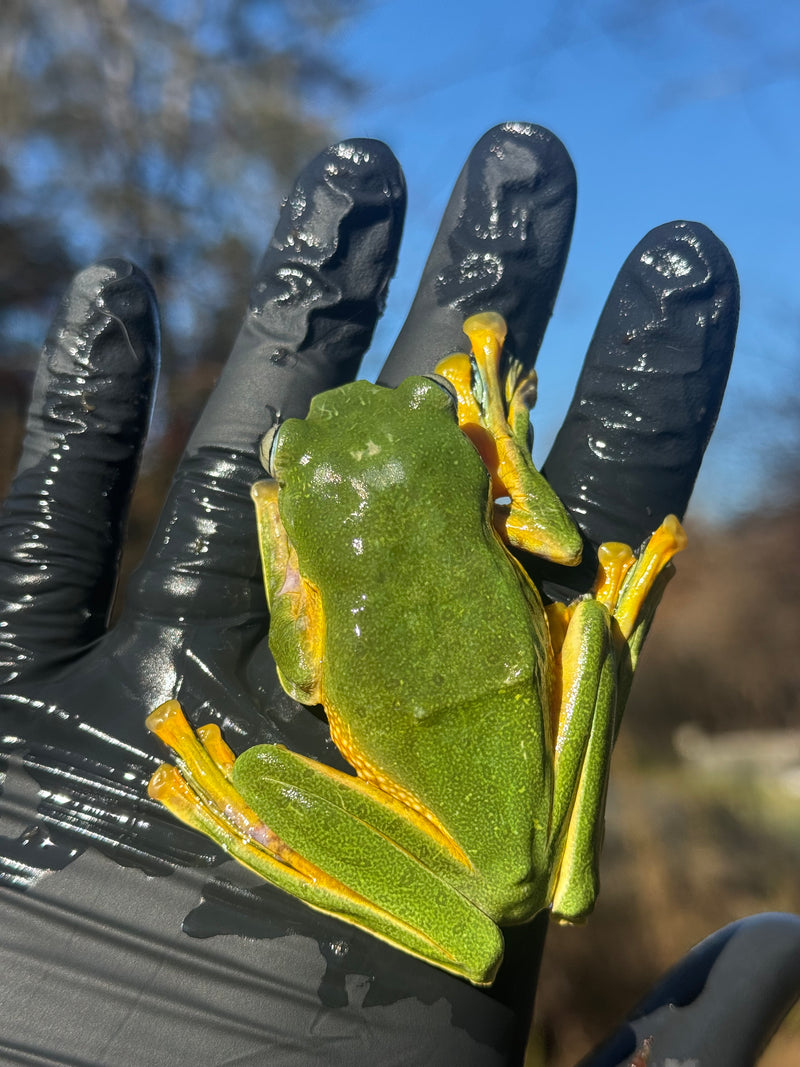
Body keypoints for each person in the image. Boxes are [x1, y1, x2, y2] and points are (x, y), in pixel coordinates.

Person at [0, 123, 797, 1066]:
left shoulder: (313, 568)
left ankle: (249, 829)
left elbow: (301, 672)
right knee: (584, 610)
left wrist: (279, 523)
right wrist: (495, 429)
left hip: (459, 825)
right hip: (522, 817)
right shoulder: (484, 498)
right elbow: (549, 538)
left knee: (256, 771)